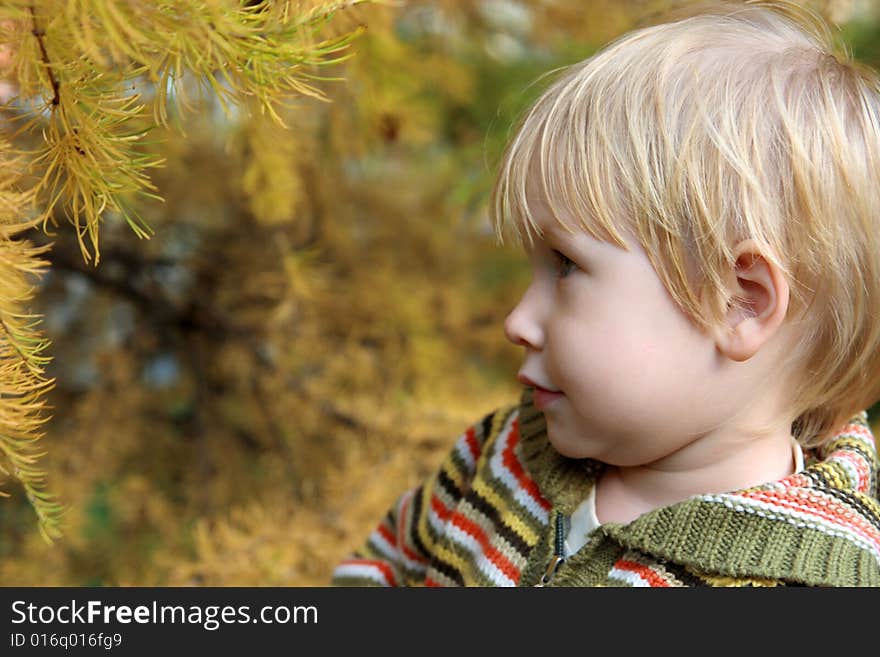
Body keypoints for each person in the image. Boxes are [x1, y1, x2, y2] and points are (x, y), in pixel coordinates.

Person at [332, 0, 880, 586]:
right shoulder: (507, 456)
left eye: (566, 266)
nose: (517, 320)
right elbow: (382, 571)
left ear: (739, 301)